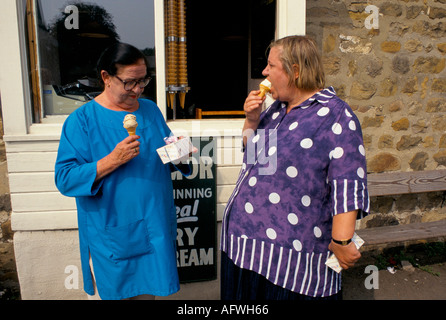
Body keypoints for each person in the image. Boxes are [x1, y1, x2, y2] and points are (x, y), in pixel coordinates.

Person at [220, 35, 370, 300]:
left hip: (290, 261)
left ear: (295, 71)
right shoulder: (276, 110)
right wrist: (251, 120)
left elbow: (347, 182)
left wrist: (342, 241)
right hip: (245, 247)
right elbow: (254, 160)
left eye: (271, 66)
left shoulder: (336, 116)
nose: (264, 73)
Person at [55, 43, 190, 300]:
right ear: (106, 77)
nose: (138, 89)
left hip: (156, 224)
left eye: (143, 81)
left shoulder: (149, 110)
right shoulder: (82, 120)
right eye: (130, 82)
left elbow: (162, 150)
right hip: (113, 232)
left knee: (150, 295)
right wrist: (112, 160)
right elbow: (65, 179)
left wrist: (180, 153)